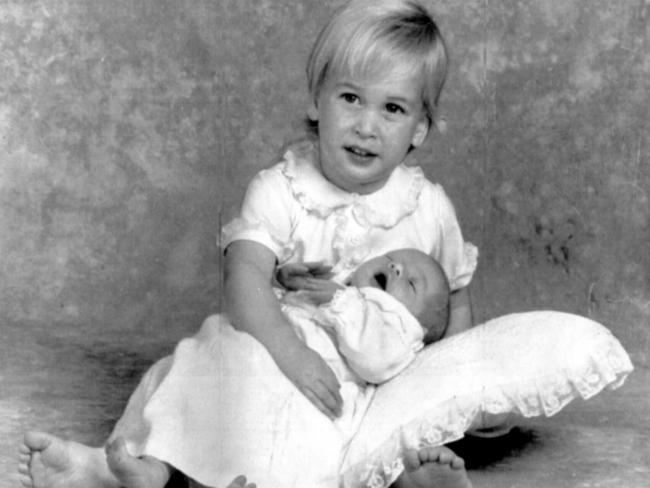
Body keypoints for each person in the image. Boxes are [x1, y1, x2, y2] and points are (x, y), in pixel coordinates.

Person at [20, 1, 476, 487]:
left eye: (392, 108)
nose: (367, 125)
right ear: (315, 101)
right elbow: (244, 279)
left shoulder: (426, 208)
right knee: (209, 362)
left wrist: (451, 403)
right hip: (273, 344)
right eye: (350, 98)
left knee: (353, 432)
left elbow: (455, 312)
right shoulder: (282, 189)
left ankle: (400, 473)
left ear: (419, 128)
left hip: (366, 390)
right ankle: (141, 466)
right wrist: (289, 353)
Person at [19, 249, 460, 488]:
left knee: (269, 440)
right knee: (178, 368)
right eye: (390, 260)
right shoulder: (342, 286)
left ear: (421, 326)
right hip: (247, 353)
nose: (396, 267)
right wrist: (286, 279)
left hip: (302, 393)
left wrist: (339, 298)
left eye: (411, 280)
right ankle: (126, 464)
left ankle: (170, 470)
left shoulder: (400, 332)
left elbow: (375, 353)